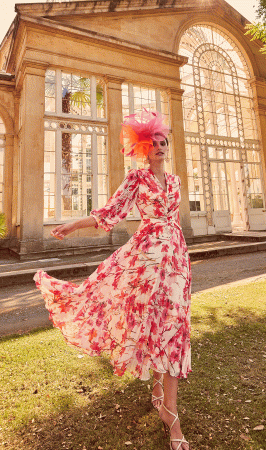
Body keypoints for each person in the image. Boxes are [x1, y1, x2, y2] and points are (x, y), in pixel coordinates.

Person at [34, 110, 191, 450]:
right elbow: (110, 213)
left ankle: (164, 398)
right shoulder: (137, 179)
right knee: (152, 323)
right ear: (143, 149)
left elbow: (174, 222)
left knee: (174, 325)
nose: (160, 147)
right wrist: (74, 224)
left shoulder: (176, 181)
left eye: (164, 142)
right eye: (153, 143)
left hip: (176, 259)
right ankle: (170, 410)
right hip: (146, 260)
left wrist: (180, 257)